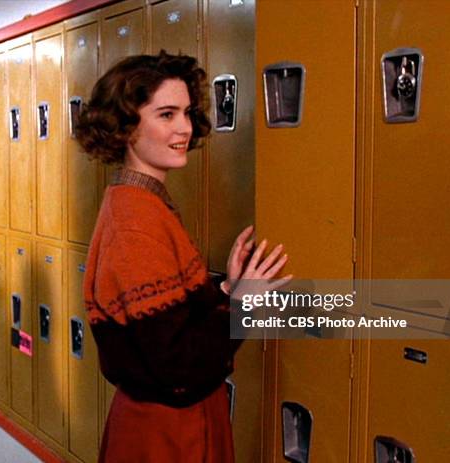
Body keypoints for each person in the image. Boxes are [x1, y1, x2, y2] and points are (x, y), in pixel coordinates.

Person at [76, 50, 291, 463]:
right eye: (166, 114)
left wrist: (224, 288)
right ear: (125, 127)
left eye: (188, 113)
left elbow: (163, 319)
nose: (184, 129)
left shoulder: (140, 200)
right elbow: (175, 363)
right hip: (164, 434)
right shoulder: (134, 221)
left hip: (171, 422)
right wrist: (244, 304)